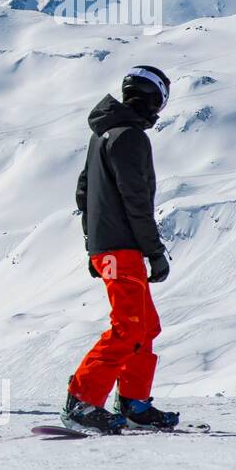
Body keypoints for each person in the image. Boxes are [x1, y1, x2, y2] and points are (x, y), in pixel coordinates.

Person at [68, 66, 177, 434]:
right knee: (129, 327)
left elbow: (84, 194)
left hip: (110, 246)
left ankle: (134, 403)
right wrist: (154, 251)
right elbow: (136, 200)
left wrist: (92, 245)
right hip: (123, 247)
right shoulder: (129, 137)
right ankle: (81, 401)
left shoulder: (103, 135)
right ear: (154, 98)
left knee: (145, 326)